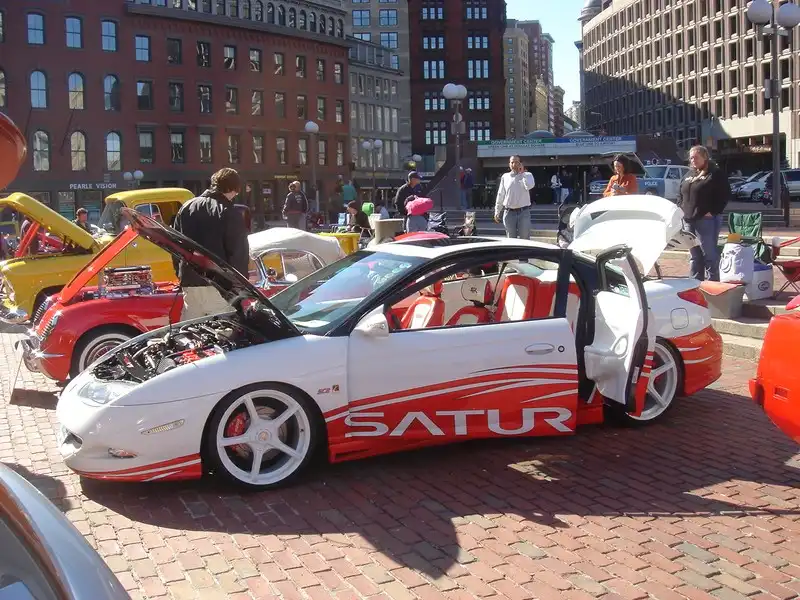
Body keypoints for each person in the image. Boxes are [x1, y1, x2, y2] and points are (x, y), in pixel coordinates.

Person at [172, 168, 250, 321]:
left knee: (192, 331)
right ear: (232, 189)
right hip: (219, 285)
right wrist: (240, 287)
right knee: (225, 331)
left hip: (190, 282)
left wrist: (181, 274)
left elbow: (175, 245)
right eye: (236, 191)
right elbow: (238, 254)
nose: (235, 195)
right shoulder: (229, 212)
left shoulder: (186, 207)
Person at [676, 145, 731, 282]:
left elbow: (725, 194)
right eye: (691, 158)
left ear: (705, 157)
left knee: (709, 254)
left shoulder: (715, 173)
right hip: (688, 220)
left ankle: (713, 282)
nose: (693, 160)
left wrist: (713, 212)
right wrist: (680, 209)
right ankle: (695, 282)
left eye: (696, 157)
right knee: (695, 255)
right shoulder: (688, 175)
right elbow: (680, 194)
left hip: (706, 220)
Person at [494, 155, 535, 239]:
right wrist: (497, 211)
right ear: (509, 164)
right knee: (511, 239)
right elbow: (501, 194)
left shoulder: (528, 175)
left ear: (521, 163)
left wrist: (522, 173)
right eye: (512, 162)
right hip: (509, 212)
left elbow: (529, 186)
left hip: (523, 212)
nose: (514, 164)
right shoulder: (505, 177)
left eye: (517, 162)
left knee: (525, 239)